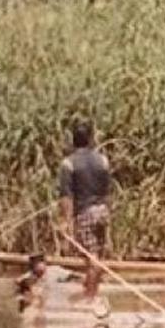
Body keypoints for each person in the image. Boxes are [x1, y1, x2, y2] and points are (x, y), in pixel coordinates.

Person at [58, 121, 112, 315]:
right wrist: (107, 211)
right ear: (90, 138)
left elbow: (66, 196)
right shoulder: (103, 160)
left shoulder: (68, 163)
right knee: (96, 255)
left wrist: (65, 221)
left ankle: (90, 299)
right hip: (102, 211)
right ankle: (92, 293)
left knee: (91, 258)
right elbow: (107, 192)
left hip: (85, 212)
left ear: (73, 140)